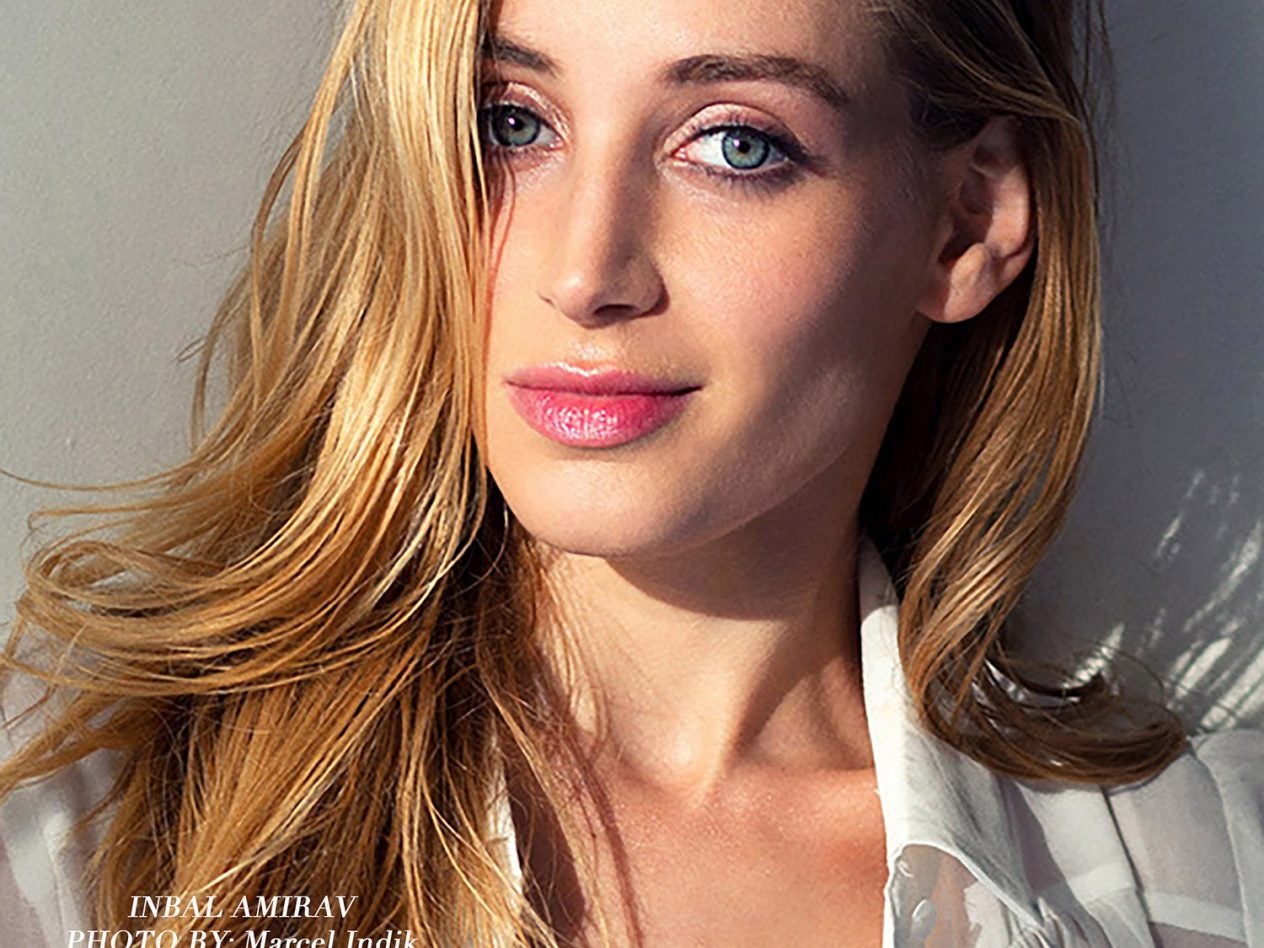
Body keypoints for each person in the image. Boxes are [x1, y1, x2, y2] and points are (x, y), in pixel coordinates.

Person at [1, 0, 1261, 945]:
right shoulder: (88, 846)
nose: (583, 272)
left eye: (735, 145)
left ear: (967, 223)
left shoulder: (1207, 880)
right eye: (510, 123)